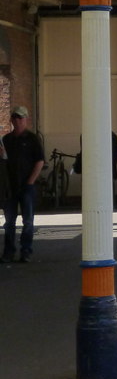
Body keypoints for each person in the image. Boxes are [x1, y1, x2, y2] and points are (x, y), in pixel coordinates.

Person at [2, 106, 45, 263]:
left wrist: (30, 182)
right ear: (11, 120)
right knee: (9, 221)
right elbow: (3, 162)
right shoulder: (6, 140)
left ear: (26, 119)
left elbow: (40, 161)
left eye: (20, 118)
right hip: (10, 187)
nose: (17, 121)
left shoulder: (32, 139)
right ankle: (8, 252)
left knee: (28, 220)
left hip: (27, 186)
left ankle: (26, 251)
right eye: (15, 117)